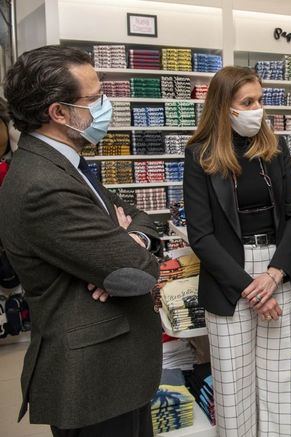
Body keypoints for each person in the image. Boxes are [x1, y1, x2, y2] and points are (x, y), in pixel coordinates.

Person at [0, 46, 161, 436]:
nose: (106, 105)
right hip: (94, 380)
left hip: (117, 371)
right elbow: (140, 272)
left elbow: (142, 219)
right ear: (58, 112)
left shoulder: (64, 163)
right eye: (96, 98)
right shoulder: (44, 183)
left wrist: (129, 238)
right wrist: (122, 252)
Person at [183, 66, 291, 436]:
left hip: (275, 268)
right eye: (247, 102)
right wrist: (250, 288)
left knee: (279, 382)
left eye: (260, 100)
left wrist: (274, 273)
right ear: (223, 107)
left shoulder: (275, 147)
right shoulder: (199, 155)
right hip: (229, 278)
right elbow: (201, 236)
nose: (257, 109)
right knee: (233, 387)